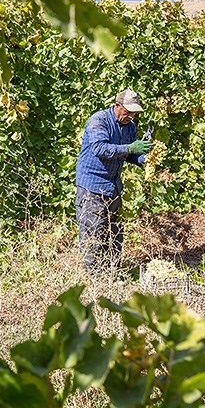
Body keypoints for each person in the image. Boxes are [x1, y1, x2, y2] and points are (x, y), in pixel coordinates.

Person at [74, 88, 154, 276]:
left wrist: (144, 160)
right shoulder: (98, 121)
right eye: (127, 112)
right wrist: (130, 147)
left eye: (134, 113)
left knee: (114, 231)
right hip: (92, 186)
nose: (130, 116)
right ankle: (94, 278)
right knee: (93, 232)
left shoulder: (129, 127)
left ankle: (111, 272)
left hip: (113, 187)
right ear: (117, 106)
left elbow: (129, 154)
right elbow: (100, 149)